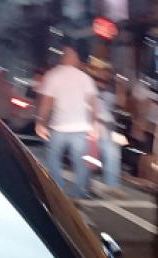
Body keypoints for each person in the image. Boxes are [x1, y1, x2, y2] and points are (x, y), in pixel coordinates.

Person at [36, 46, 98, 199]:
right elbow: (92, 104)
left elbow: (46, 103)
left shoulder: (53, 75)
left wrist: (40, 122)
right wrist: (93, 124)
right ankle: (79, 192)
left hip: (59, 127)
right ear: (76, 59)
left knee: (53, 158)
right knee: (80, 162)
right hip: (80, 127)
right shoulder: (85, 78)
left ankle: (58, 189)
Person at [94, 70, 124, 197]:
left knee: (112, 154)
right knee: (109, 153)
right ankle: (110, 184)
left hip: (107, 125)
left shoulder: (110, 89)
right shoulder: (90, 86)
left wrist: (120, 85)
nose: (104, 76)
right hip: (97, 123)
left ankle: (111, 184)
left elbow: (121, 102)